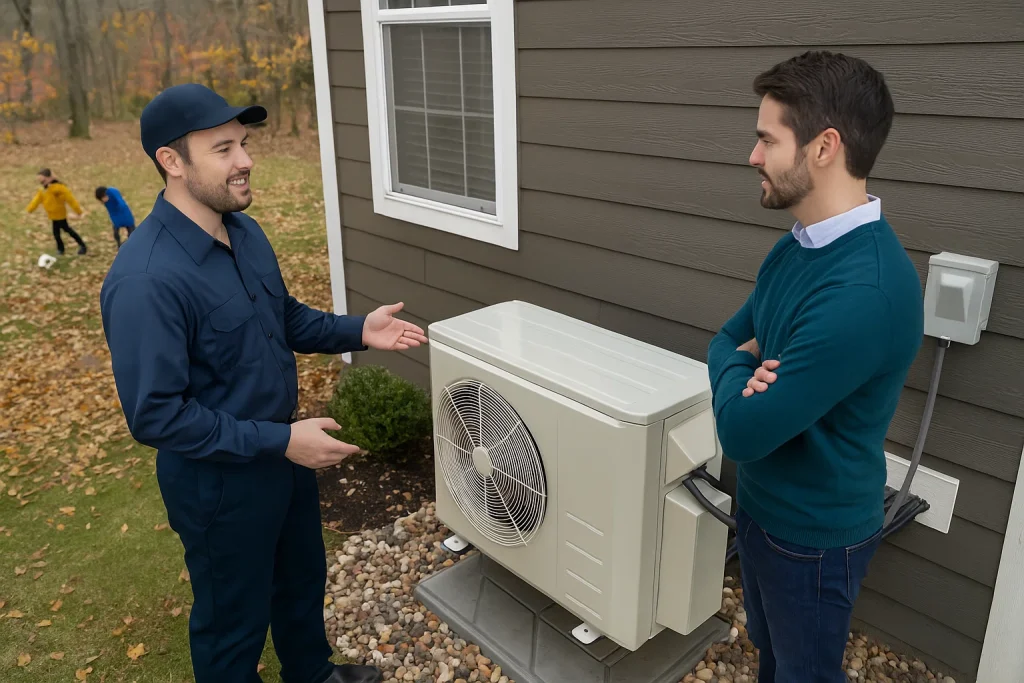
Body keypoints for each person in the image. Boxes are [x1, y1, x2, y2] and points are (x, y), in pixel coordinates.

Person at [99, 84, 427, 683]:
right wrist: (281, 442)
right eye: (222, 149)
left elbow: (283, 316)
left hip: (285, 454)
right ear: (172, 162)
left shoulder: (241, 232)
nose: (245, 160)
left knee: (300, 579)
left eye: (243, 144)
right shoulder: (146, 281)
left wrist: (361, 329)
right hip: (218, 486)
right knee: (233, 626)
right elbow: (157, 417)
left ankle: (313, 674)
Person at [706, 51, 923, 683]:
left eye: (767, 139)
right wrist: (738, 365)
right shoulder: (794, 249)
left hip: (814, 539)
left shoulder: (866, 293)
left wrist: (738, 373)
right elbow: (727, 339)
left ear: (823, 147)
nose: (753, 156)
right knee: (771, 660)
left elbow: (743, 432)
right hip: (762, 509)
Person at [26, 168, 88, 255]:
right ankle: (61, 249)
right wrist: (30, 209)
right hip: (53, 216)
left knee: (67, 231)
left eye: (43, 181)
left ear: (50, 178)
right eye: (40, 182)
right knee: (57, 233)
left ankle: (82, 245)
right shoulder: (43, 190)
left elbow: (71, 200)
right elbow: (36, 200)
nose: (41, 183)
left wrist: (78, 211)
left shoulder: (59, 188)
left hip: (60, 215)